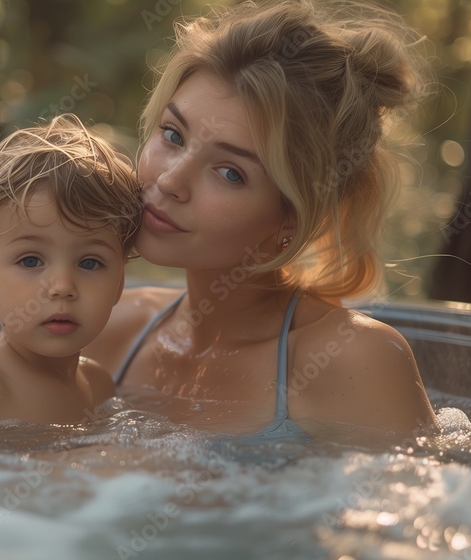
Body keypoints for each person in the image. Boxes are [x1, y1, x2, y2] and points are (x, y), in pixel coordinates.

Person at [85, 0, 438, 442]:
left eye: (230, 172)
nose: (171, 180)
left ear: (293, 214)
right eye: (173, 135)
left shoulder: (354, 359)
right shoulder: (110, 326)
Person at [0, 114, 143, 426]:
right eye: (30, 261)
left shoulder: (98, 385)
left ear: (119, 283)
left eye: (89, 263)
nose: (62, 286)